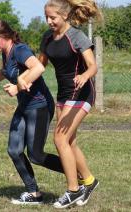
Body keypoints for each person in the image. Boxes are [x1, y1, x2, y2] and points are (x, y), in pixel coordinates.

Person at [0, 20, 64, 205]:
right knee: (14, 150)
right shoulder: (7, 53)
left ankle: (77, 174)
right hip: (24, 107)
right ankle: (34, 193)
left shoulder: (20, 49)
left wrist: (17, 88)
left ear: (5, 36)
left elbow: (38, 67)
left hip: (40, 106)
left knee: (36, 155)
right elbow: (5, 71)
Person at [39, 0, 102, 209]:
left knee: (59, 139)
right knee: (69, 141)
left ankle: (73, 190)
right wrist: (22, 80)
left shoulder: (76, 36)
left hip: (82, 92)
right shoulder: (47, 38)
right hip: (64, 94)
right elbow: (39, 66)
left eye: (53, 17)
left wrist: (84, 75)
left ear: (65, 16)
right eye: (46, 17)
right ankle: (90, 181)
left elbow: (93, 66)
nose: (49, 21)